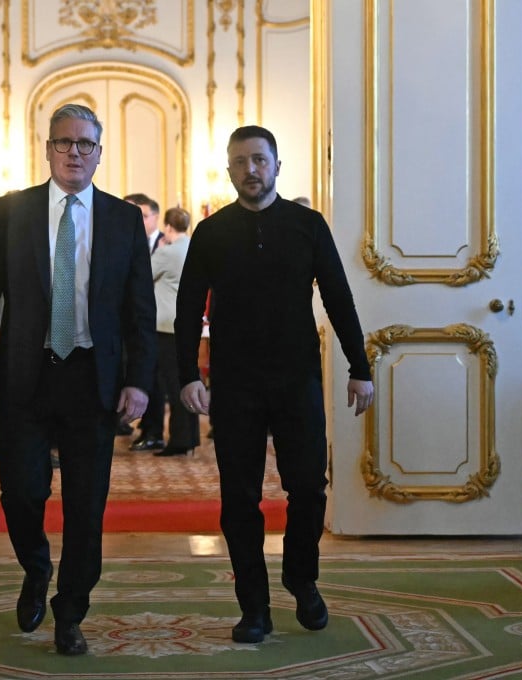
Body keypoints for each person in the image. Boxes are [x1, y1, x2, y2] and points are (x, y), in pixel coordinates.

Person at [0, 103, 156, 656]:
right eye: (64, 143)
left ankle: (70, 610)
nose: (75, 153)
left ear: (99, 153)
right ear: (47, 149)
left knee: (85, 505)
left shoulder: (122, 219)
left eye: (85, 145)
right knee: (20, 492)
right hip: (25, 377)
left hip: (93, 382)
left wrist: (140, 381)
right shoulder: (15, 211)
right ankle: (34, 566)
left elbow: (138, 310)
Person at [175, 125, 374, 644]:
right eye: (240, 162)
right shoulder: (211, 233)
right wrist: (186, 376)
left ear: (277, 166)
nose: (251, 170)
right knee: (239, 497)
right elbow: (186, 311)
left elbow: (338, 298)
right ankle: (254, 607)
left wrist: (361, 367)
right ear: (229, 171)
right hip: (235, 385)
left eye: (259, 160)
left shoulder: (308, 226)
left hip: (297, 380)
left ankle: (301, 578)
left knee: (308, 488)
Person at [150, 207, 200, 457]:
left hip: (165, 325)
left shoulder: (168, 252)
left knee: (172, 384)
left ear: (168, 227)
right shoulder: (192, 246)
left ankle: (179, 439)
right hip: (184, 323)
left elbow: (144, 274)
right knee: (186, 381)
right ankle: (189, 436)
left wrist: (158, 249)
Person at [123, 193, 166, 450]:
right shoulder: (123, 241)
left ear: (154, 217)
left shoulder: (165, 244)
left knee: (155, 379)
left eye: (140, 215)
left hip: (158, 323)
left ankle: (154, 430)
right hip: (130, 323)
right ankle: (145, 426)